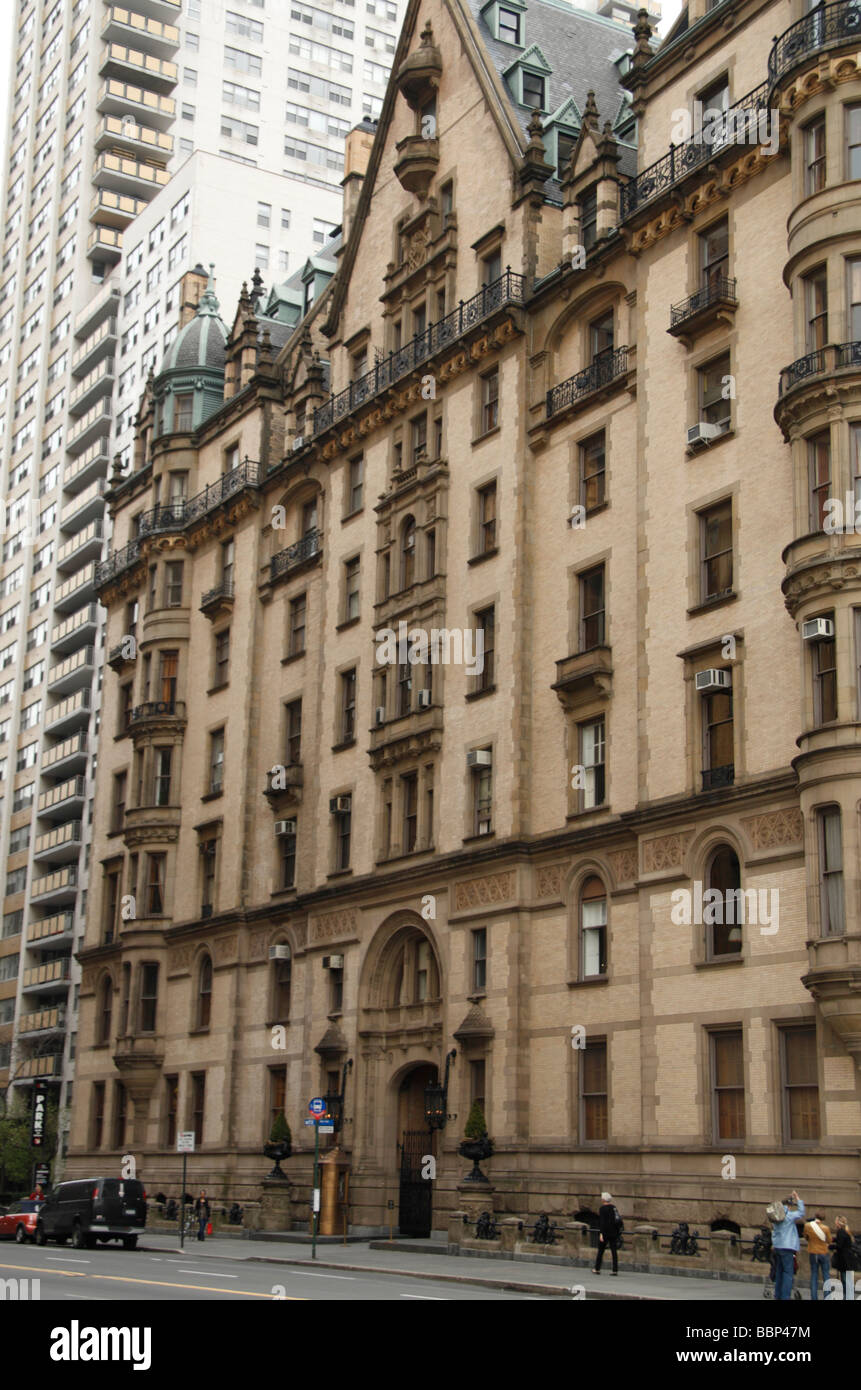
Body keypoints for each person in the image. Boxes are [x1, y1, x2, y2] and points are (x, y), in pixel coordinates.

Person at [770, 1190, 805, 1301]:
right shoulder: (788, 1215)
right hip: (787, 1247)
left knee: (779, 1271)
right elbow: (801, 1212)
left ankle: (778, 1295)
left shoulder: (776, 1215)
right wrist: (798, 1198)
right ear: (789, 1205)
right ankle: (785, 1296)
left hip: (777, 1246)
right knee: (788, 1273)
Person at [803, 1211, 831, 1301]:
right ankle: (827, 1297)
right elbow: (829, 1240)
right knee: (826, 1275)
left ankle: (814, 1297)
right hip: (823, 1252)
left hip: (813, 1252)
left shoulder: (807, 1226)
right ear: (823, 1219)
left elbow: (805, 1236)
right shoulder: (826, 1228)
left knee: (814, 1275)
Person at [593, 1192, 622, 1276]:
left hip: (605, 1232)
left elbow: (602, 1222)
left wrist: (601, 1233)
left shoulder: (602, 1209)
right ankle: (615, 1270)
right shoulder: (614, 1208)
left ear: (603, 1199)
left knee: (601, 1251)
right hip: (613, 1232)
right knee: (614, 1251)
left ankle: (597, 1268)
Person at [831, 1216, 857, 1301]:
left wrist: (830, 1246)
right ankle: (850, 1296)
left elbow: (840, 1246)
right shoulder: (845, 1231)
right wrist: (834, 1240)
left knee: (845, 1280)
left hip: (844, 1260)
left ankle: (847, 1297)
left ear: (838, 1223)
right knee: (848, 1280)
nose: (835, 1222)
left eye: (836, 1221)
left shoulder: (841, 1232)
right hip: (848, 1260)